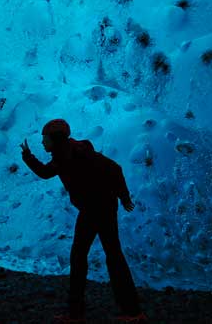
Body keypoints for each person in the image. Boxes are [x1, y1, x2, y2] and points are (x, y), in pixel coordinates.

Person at [20, 119, 145, 321]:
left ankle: (77, 313)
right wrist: (122, 196)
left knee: (80, 257)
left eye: (45, 138)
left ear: (55, 138)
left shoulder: (70, 154)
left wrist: (124, 196)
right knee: (111, 255)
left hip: (95, 208)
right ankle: (133, 311)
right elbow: (114, 168)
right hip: (103, 205)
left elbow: (113, 168)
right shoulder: (71, 151)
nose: (43, 143)